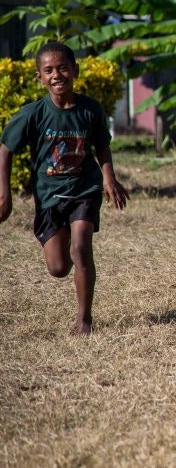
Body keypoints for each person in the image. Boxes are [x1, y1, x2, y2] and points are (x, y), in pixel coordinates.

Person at [0, 41, 129, 335]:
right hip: (48, 195)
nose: (57, 75)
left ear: (75, 71)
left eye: (63, 68)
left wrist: (109, 178)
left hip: (84, 189)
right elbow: (5, 149)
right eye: (49, 70)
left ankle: (84, 319)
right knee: (58, 267)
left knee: (81, 248)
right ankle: (66, 234)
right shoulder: (33, 114)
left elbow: (102, 146)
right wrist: (4, 193)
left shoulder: (90, 109)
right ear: (40, 78)